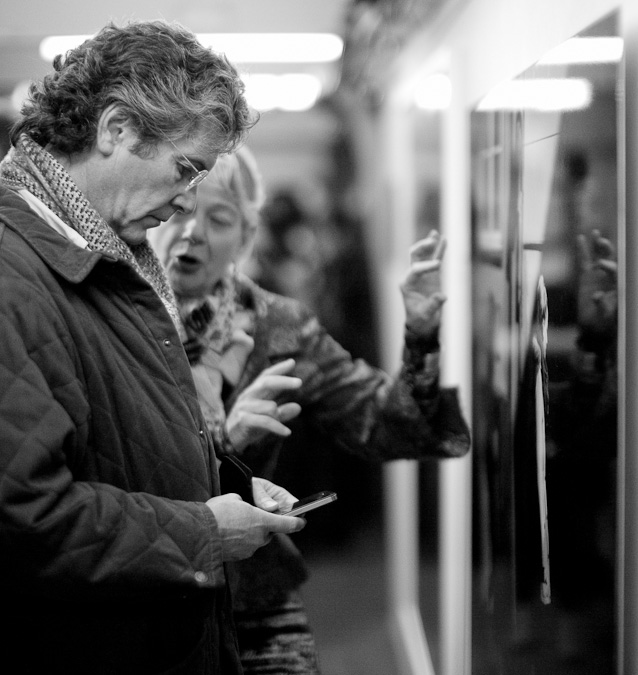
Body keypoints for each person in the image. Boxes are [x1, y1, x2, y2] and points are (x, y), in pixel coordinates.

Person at [0, 21, 307, 675]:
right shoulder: (13, 271)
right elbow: (23, 517)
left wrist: (229, 487)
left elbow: (121, 439)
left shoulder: (110, 248)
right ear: (116, 129)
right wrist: (204, 531)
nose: (190, 202)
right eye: (186, 168)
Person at [150, 146, 471, 673]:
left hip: (255, 600)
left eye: (220, 218)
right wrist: (221, 447)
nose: (193, 233)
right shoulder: (116, 322)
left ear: (246, 240)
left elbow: (397, 424)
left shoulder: (281, 326)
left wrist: (421, 334)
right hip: (151, 598)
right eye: (181, 209)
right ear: (153, 215)